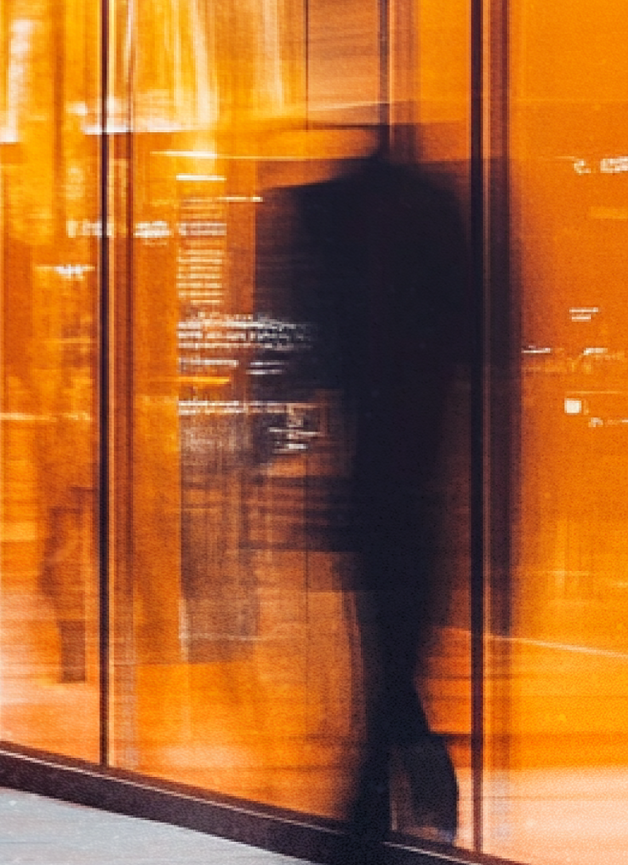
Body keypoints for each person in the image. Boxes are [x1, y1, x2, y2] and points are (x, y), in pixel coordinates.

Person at [257, 135, 474, 863]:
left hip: (392, 484)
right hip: (404, 482)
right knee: (390, 654)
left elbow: (324, 357)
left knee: (387, 653)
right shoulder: (417, 218)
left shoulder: (362, 225)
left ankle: (373, 812)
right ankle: (395, 799)